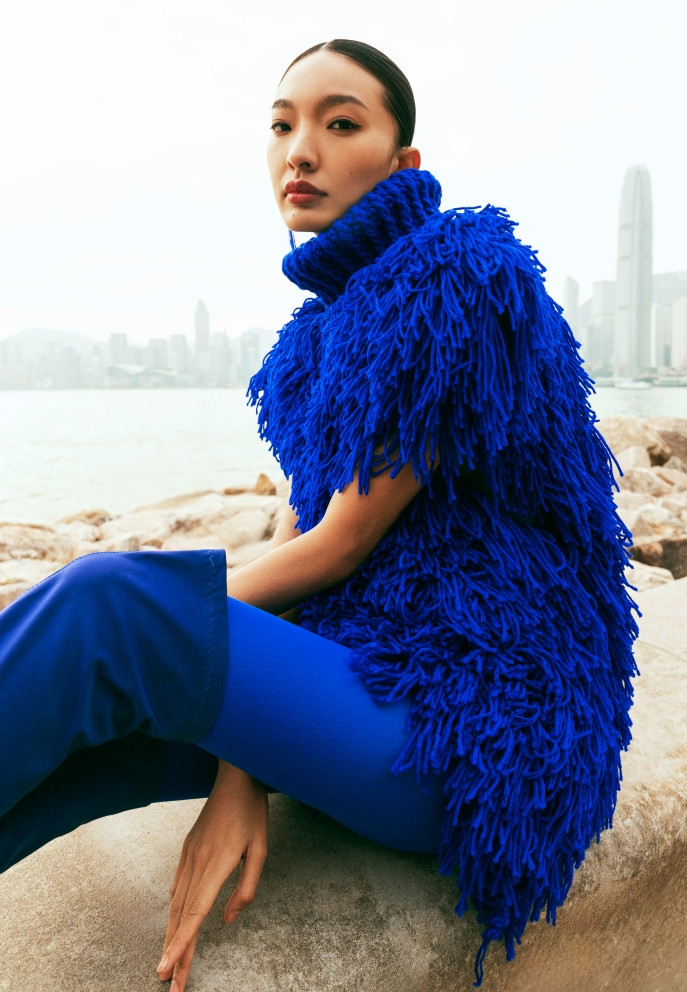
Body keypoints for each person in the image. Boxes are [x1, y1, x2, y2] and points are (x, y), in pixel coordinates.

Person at [0, 39, 637, 992]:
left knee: (108, 607)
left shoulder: (456, 278)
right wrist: (240, 767)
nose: (299, 150)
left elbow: (339, 547)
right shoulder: (315, 339)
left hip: (477, 729)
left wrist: (238, 746)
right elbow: (301, 545)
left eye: (340, 123)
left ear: (401, 160)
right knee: (98, 728)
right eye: (281, 125)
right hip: (366, 684)